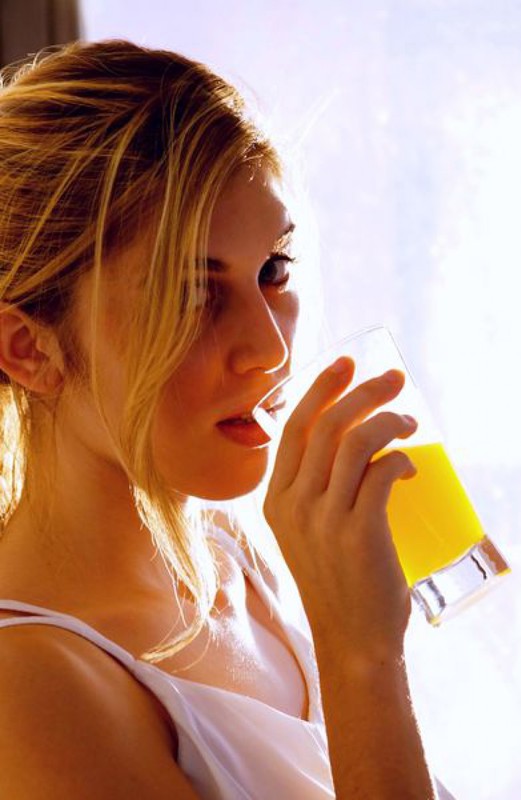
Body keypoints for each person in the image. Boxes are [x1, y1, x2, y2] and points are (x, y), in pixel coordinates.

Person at [0, 39, 455, 799]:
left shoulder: (236, 555)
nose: (270, 350)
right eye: (189, 293)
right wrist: (363, 659)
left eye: (273, 271)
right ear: (29, 349)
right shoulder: (30, 693)